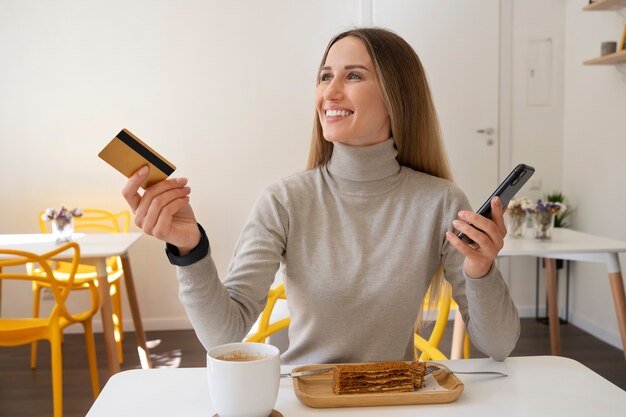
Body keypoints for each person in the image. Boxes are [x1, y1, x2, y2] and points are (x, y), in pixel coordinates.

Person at [122, 27, 519, 364]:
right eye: (325, 76)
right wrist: (189, 249)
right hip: (306, 400)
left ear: (396, 96)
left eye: (353, 76)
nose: (330, 92)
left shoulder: (441, 202)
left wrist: (480, 271)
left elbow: (498, 345)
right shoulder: (285, 200)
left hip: (395, 400)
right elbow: (224, 335)